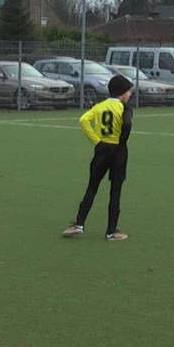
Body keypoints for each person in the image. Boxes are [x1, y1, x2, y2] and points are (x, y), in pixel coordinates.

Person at [62, 74, 134, 241]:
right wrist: (121, 142)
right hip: (118, 151)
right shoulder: (125, 108)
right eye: (129, 91)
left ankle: (79, 224)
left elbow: (83, 120)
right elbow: (127, 123)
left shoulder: (100, 106)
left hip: (101, 150)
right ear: (122, 92)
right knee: (115, 191)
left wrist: (96, 141)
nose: (130, 94)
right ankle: (111, 232)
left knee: (92, 187)